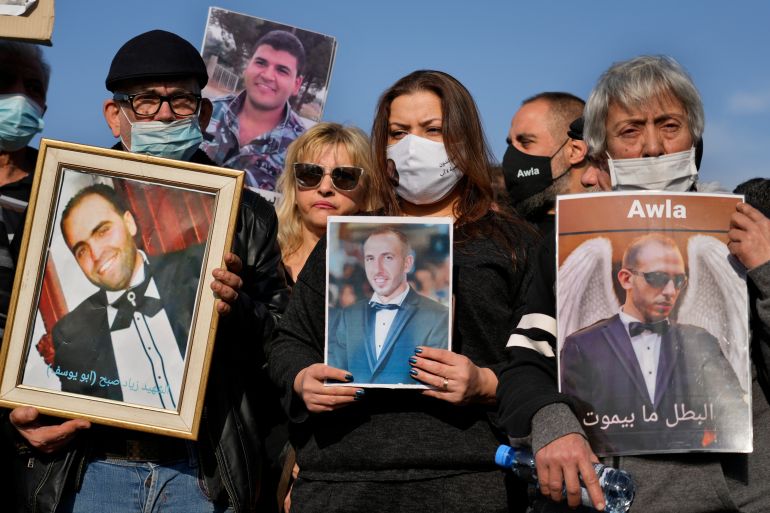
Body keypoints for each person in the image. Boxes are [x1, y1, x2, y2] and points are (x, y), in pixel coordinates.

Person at [8, 29, 289, 513]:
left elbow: (283, 340)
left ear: (203, 114)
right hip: (89, 471)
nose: (163, 114)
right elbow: (14, 340)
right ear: (114, 114)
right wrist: (18, 419)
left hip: (201, 473)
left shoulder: (247, 215)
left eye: (180, 100)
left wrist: (238, 307)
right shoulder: (53, 200)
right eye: (145, 100)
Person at [497, 55, 770, 513]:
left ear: (694, 136)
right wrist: (552, 422)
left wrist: (766, 270)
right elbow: (525, 364)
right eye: (630, 131)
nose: (653, 148)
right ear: (602, 150)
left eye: (669, 126)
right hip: (607, 496)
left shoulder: (749, 230)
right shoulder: (564, 244)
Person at [268, 69, 537, 512]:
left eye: (433, 130)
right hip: (339, 483)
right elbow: (290, 341)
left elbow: (546, 364)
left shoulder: (513, 243)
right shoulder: (346, 236)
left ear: (464, 137)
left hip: (466, 484)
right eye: (398, 132)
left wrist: (485, 383)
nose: (414, 145)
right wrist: (301, 379)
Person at [560, 233, 748, 454]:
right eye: (657, 278)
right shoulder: (582, 345)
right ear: (626, 279)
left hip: (692, 469)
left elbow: (734, 416)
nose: (670, 291)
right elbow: (572, 427)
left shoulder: (701, 341)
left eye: (679, 281)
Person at [50, 184, 203, 408]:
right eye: (81, 250)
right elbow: (81, 419)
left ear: (129, 223)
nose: (96, 254)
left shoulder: (198, 268)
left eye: (102, 231)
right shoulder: (71, 336)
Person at [329, 226, 450, 384]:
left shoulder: (438, 315)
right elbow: (335, 375)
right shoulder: (348, 315)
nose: (377, 269)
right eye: (370, 259)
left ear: (407, 263)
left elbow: (435, 380)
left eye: (387, 258)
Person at [202, 30, 314, 195]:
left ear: (297, 84)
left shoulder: (303, 150)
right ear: (248, 66)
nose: (268, 76)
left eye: (282, 70)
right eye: (261, 63)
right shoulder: (206, 111)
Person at [275, 122, 380, 283]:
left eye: (344, 176)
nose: (325, 188)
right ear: (293, 188)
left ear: (365, 195)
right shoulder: (261, 258)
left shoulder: (373, 277)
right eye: (310, 174)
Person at [0, 40, 49, 334]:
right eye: (4, 80)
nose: (21, 96)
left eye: (33, 87)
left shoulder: (54, 188)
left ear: (43, 109)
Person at [501, 92, 595, 232]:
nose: (511, 155)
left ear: (575, 151)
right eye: (510, 144)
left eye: (525, 142)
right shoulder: (501, 236)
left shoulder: (615, 227)